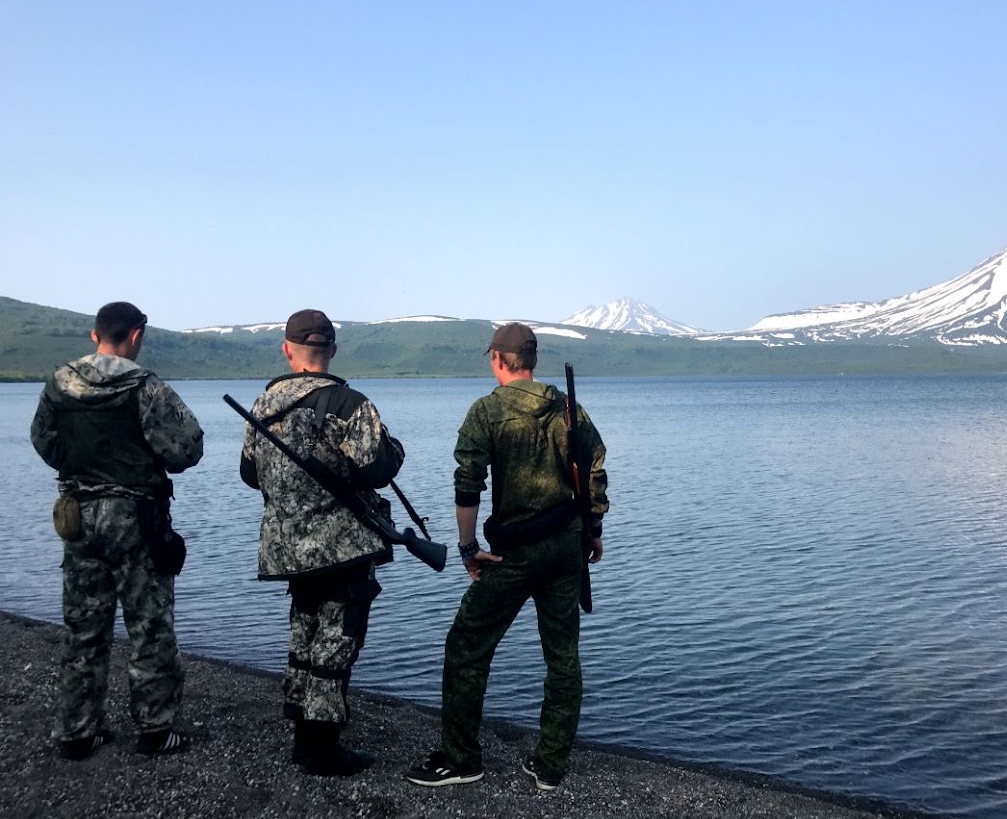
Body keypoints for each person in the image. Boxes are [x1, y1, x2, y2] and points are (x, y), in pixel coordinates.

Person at [406, 322, 608, 791]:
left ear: (498, 359)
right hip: (565, 546)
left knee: (467, 646)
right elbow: (594, 468)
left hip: (513, 553)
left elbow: (467, 485)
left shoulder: (486, 412)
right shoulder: (567, 408)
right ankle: (550, 765)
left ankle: (461, 759)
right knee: (563, 657)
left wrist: (468, 547)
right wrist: (593, 529)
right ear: (531, 361)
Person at [30, 301, 204, 760]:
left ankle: (77, 731)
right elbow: (187, 449)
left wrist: (81, 470)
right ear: (137, 334)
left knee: (83, 624)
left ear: (95, 335)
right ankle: (154, 730)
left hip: (78, 515)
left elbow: (44, 441)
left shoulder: (59, 384)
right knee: (149, 625)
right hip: (136, 518)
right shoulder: (146, 388)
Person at [239, 308, 405, 777]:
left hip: (286, 547)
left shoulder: (262, 404)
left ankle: (302, 726)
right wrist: (394, 450)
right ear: (331, 350)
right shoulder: (350, 404)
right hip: (343, 547)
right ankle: (321, 747)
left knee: (304, 631)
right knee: (338, 640)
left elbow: (250, 475)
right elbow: (380, 468)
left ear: (287, 350)